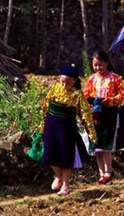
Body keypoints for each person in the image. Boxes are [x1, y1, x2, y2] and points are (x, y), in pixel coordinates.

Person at [40, 64, 97, 196]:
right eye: (63, 81)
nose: (65, 85)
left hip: (67, 128)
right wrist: (42, 126)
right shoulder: (54, 88)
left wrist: (91, 133)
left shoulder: (77, 95)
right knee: (49, 154)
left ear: (75, 81)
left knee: (66, 157)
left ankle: (65, 185)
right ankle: (58, 175)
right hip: (51, 125)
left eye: (69, 82)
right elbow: (45, 107)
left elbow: (85, 115)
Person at [83, 50, 124, 184]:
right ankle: (102, 173)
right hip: (95, 114)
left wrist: (111, 101)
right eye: (95, 65)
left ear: (107, 63)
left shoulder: (114, 78)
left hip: (109, 114)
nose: (98, 68)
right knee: (97, 145)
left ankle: (109, 171)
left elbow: (122, 94)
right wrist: (91, 101)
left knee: (106, 144)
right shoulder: (91, 79)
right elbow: (85, 95)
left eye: (100, 65)